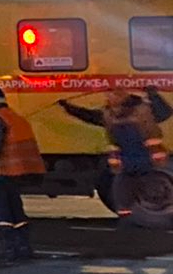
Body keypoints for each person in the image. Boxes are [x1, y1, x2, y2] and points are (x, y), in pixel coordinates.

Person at [58, 88, 170, 225]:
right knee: (121, 187)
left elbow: (164, 112)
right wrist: (68, 108)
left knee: (142, 182)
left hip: (144, 154)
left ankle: (135, 214)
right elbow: (91, 116)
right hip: (127, 156)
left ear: (122, 97)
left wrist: (154, 95)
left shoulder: (141, 109)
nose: (108, 99)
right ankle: (127, 215)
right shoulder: (110, 113)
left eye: (112, 96)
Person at [0, 85, 43, 261]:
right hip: (17, 171)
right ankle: (23, 247)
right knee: (16, 209)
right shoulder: (16, 118)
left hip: (0, 171)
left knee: (0, 210)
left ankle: (8, 249)